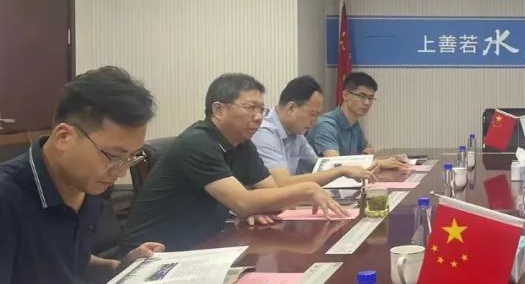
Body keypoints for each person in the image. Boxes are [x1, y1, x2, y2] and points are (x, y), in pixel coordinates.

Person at [0, 67, 189, 284]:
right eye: (113, 156)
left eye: (131, 157)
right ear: (64, 137)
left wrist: (118, 266)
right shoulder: (7, 195)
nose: (120, 171)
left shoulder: (86, 182)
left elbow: (54, 257)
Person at [122, 73, 348, 252]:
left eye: (261, 109)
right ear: (218, 110)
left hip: (202, 245)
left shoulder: (242, 144)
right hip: (152, 253)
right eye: (250, 108)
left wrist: (258, 205)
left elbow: (273, 193)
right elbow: (243, 203)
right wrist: (306, 189)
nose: (258, 117)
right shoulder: (198, 143)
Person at [252, 75, 379, 187]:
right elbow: (281, 183)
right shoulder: (264, 133)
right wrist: (341, 170)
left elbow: (321, 167)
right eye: (313, 115)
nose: (316, 121)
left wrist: (357, 168)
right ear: (291, 108)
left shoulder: (296, 133)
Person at [307, 71, 408, 170]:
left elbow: (368, 149)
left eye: (370, 98)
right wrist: (378, 163)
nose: (367, 102)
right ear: (345, 95)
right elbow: (337, 165)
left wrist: (389, 159)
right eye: (362, 96)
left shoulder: (354, 124)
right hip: (316, 180)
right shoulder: (325, 125)